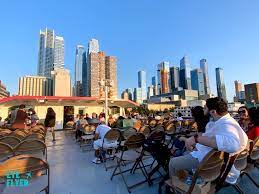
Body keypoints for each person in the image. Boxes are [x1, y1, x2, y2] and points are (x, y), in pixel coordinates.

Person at [169, 97, 248, 185]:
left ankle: (176, 186)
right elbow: (210, 136)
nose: (203, 109)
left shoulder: (227, 124)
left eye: (205, 107)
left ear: (213, 111)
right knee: (184, 153)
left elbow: (233, 145)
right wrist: (196, 140)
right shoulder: (224, 121)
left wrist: (196, 139)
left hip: (207, 161)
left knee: (172, 163)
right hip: (211, 160)